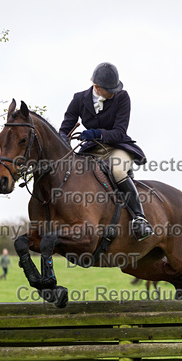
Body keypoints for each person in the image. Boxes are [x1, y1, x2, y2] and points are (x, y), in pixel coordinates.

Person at [59, 62, 154, 242]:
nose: (113, 93)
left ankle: (139, 219)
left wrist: (97, 133)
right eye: (109, 90)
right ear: (96, 87)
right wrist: (63, 138)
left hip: (118, 146)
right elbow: (65, 127)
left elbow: (120, 131)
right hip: (91, 150)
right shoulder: (79, 99)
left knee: (117, 171)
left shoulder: (122, 97)